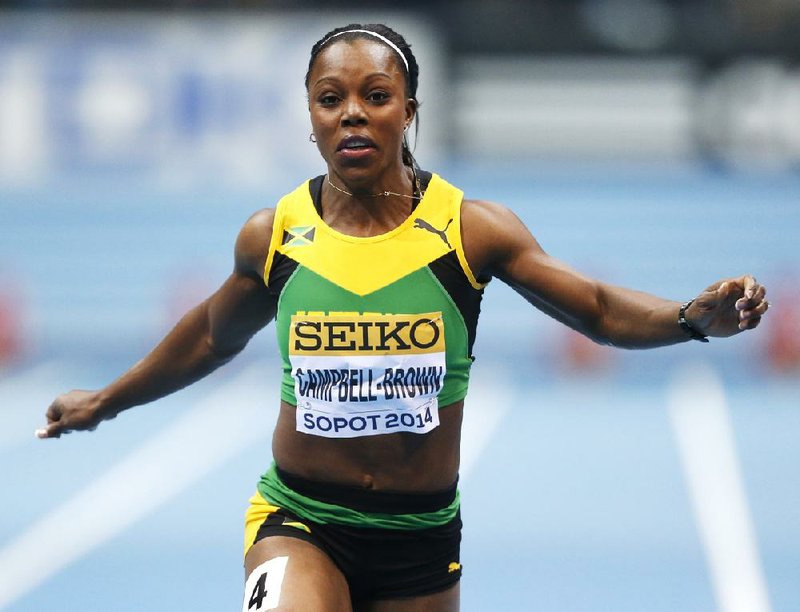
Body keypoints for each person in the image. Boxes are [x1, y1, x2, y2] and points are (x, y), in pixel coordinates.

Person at [37, 23, 769, 612]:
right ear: (312, 122)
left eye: (375, 95)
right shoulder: (276, 235)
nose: (352, 112)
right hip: (301, 518)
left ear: (410, 111)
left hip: (419, 539)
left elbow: (598, 310)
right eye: (330, 99)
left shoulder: (470, 230)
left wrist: (691, 318)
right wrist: (104, 401)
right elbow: (206, 335)